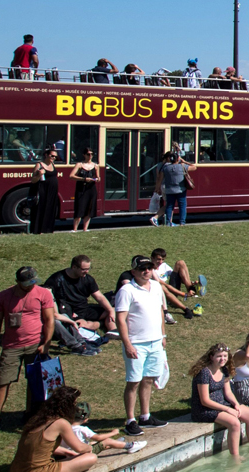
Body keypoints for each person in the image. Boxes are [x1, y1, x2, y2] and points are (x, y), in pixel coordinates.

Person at [0, 266, 56, 427]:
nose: (31, 286)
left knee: (34, 381)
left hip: (35, 344)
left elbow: (49, 320)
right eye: (27, 283)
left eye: (33, 282)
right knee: (3, 380)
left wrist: (46, 343)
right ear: (18, 282)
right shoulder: (3, 296)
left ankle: (30, 414)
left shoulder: (43, 293)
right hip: (11, 346)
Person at [114, 256, 168, 437]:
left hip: (155, 341)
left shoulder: (157, 287)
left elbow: (160, 311)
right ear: (134, 271)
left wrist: (163, 335)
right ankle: (130, 420)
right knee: (134, 381)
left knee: (149, 379)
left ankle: (145, 415)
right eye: (142, 268)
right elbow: (121, 319)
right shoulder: (127, 290)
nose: (146, 271)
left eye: (149, 267)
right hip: (136, 343)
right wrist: (127, 343)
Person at [188, 343, 249, 457]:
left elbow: (228, 392)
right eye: (219, 356)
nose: (223, 359)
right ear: (211, 357)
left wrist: (236, 404)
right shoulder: (204, 372)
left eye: (225, 356)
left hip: (221, 404)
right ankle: (235, 456)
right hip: (204, 409)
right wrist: (227, 409)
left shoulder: (223, 370)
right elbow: (205, 400)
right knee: (235, 423)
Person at [8, 384, 97, 472]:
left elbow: (41, 447)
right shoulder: (61, 423)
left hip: (17, 468)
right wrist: (90, 448)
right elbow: (80, 448)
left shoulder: (38, 419)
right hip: (39, 470)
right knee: (91, 458)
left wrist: (67, 452)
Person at [44, 256, 115, 348]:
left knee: (117, 311)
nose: (87, 271)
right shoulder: (56, 280)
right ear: (74, 267)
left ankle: (113, 330)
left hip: (84, 309)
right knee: (80, 326)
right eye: (84, 269)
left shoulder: (87, 279)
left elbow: (99, 296)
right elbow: (49, 301)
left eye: (88, 269)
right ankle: (99, 324)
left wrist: (110, 311)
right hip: (69, 312)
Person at [30, 149, 63, 235]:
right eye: (52, 156)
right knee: (41, 208)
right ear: (46, 155)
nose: (54, 158)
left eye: (55, 156)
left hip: (52, 191)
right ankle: (38, 230)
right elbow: (33, 180)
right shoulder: (39, 164)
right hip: (43, 189)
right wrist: (39, 174)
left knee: (51, 208)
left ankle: (48, 229)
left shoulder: (52, 164)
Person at [158, 152, 191, 228]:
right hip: (181, 190)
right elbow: (194, 167)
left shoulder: (166, 168)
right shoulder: (182, 167)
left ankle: (168, 222)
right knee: (182, 206)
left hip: (169, 190)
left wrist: (158, 187)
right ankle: (182, 222)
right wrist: (184, 161)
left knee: (169, 206)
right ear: (178, 158)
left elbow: (161, 178)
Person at [69, 151, 99, 232]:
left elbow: (98, 177)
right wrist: (83, 179)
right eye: (88, 154)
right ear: (84, 155)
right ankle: (75, 229)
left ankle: (85, 229)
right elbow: (71, 176)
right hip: (81, 188)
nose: (90, 156)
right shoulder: (79, 164)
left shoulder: (95, 165)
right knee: (79, 207)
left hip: (91, 188)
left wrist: (96, 179)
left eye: (92, 154)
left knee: (89, 208)